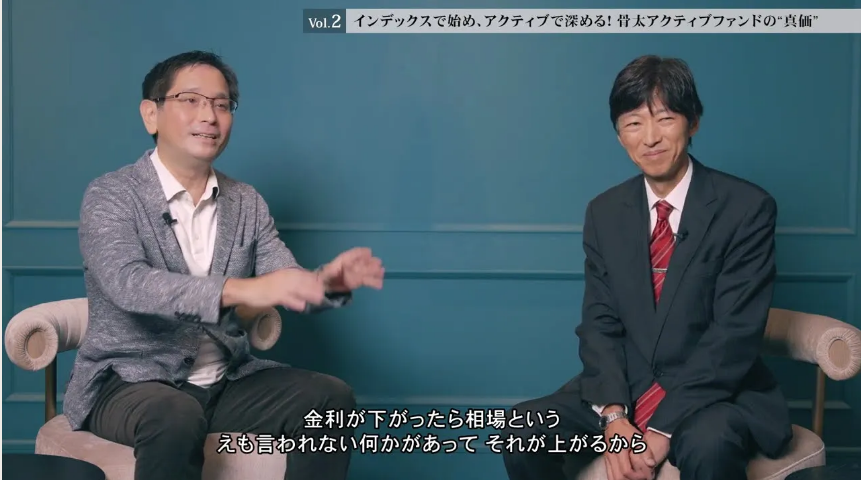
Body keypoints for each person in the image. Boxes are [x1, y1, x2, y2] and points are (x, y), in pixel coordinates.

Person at [62, 50, 385, 480]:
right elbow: (128, 283)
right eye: (190, 100)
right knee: (174, 413)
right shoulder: (111, 194)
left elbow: (283, 275)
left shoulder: (246, 202)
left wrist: (325, 282)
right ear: (151, 114)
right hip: (127, 382)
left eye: (221, 104)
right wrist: (241, 289)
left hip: (225, 381)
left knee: (329, 398)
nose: (209, 116)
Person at [501, 55, 793, 480]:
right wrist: (614, 416)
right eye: (634, 123)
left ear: (693, 122)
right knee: (522, 428)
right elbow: (600, 323)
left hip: (714, 392)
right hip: (628, 386)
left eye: (665, 119)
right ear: (619, 135)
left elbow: (733, 335)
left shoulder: (747, 208)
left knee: (709, 443)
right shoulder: (604, 212)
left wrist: (661, 429)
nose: (650, 138)